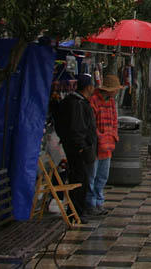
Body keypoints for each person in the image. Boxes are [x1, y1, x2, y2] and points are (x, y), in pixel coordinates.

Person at [54, 74, 98, 221]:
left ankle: (78, 211)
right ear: (88, 87)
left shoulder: (78, 102)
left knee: (82, 179)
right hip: (78, 150)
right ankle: (76, 212)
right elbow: (77, 128)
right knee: (79, 180)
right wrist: (81, 147)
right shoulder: (76, 103)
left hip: (80, 148)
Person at [87, 74, 122, 217]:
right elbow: (91, 123)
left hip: (108, 145)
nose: (116, 92)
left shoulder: (112, 101)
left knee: (102, 176)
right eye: (115, 89)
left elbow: (114, 120)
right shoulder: (94, 100)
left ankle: (99, 202)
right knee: (92, 176)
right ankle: (90, 203)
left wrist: (113, 135)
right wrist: (100, 136)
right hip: (96, 145)